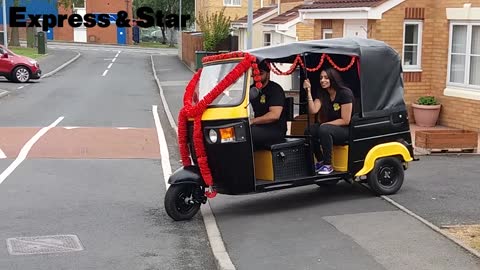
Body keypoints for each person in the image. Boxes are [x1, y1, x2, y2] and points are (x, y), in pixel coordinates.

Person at [303, 67, 354, 175]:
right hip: (329, 127)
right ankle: (321, 160)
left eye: (326, 78)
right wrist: (308, 91)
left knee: (324, 129)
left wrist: (325, 125)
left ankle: (328, 165)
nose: (322, 80)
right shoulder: (322, 93)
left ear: (333, 79)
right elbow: (313, 110)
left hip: (345, 129)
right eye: (321, 78)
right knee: (309, 130)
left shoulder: (344, 93)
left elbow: (346, 120)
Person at [249, 61, 287, 149]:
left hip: (275, 129)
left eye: (261, 73)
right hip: (256, 127)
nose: (257, 76)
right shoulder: (250, 90)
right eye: (255, 73)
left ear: (268, 74)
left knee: (248, 134)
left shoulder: (275, 89)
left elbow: (274, 115)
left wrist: (252, 121)